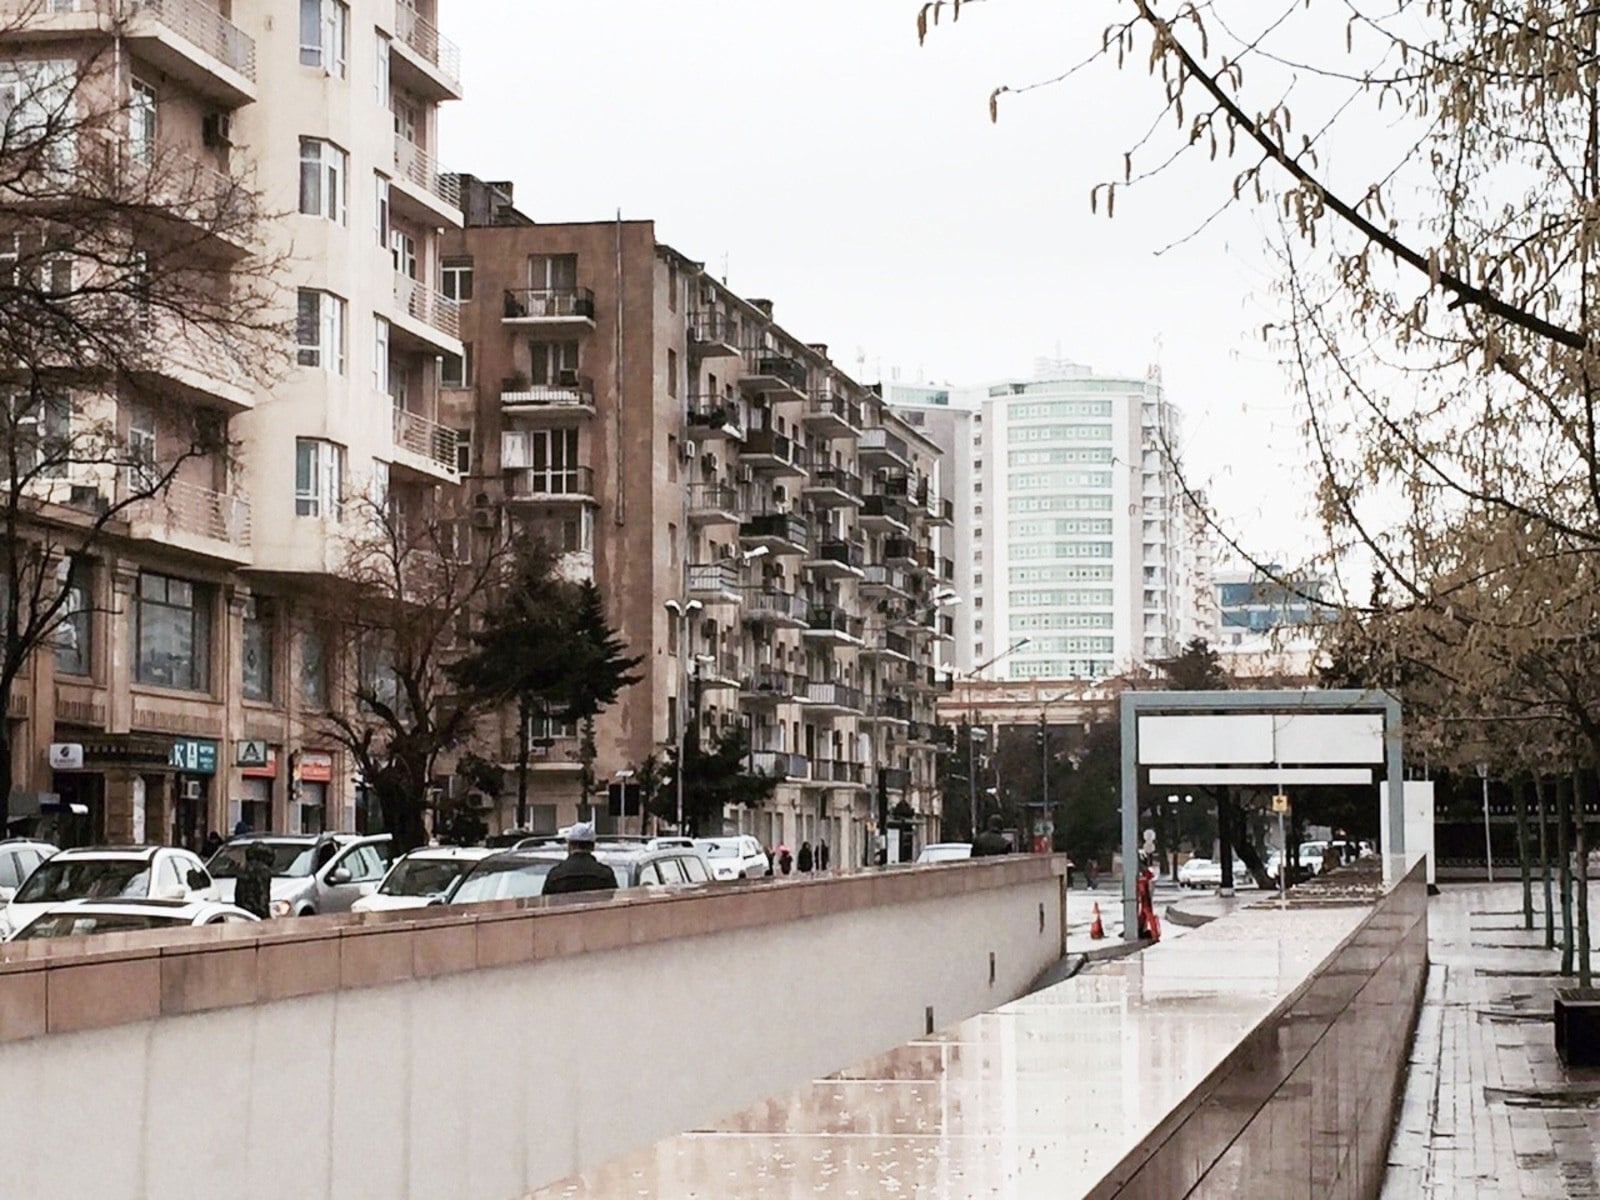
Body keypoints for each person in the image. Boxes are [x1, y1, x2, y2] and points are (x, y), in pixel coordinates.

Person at [541, 822, 617, 896]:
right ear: (593, 846)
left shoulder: (555, 875)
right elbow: (614, 901)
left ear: (570, 845)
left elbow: (545, 901)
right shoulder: (605, 874)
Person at [235, 841, 273, 920]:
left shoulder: (243, 868)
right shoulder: (263, 870)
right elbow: (263, 893)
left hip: (242, 910)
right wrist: (265, 914)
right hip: (257, 911)